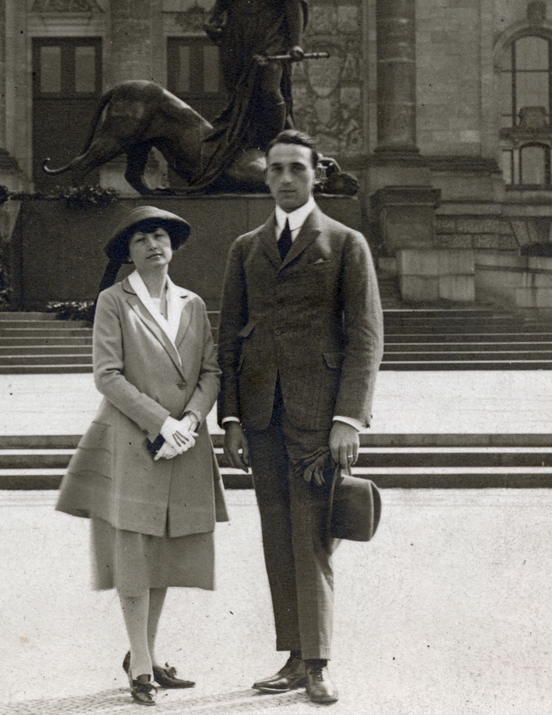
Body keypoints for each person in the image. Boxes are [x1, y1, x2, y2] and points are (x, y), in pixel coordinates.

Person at [218, 131, 383, 705]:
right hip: (261, 417)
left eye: (297, 169)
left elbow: (365, 337)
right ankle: (292, 658)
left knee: (311, 538)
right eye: (276, 169)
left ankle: (318, 664)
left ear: (317, 175)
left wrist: (349, 419)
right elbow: (229, 338)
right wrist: (231, 420)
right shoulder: (246, 248)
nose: (286, 178)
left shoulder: (345, 243)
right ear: (265, 177)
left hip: (319, 419)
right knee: (277, 537)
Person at [57, 205, 228, 705]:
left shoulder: (193, 303)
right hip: (134, 441)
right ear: (128, 253)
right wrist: (161, 422)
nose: (153, 244)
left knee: (166, 551)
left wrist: (190, 421)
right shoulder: (114, 301)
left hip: (184, 444)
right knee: (134, 553)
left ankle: (143, 656)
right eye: (140, 240)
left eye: (160, 236)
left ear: (172, 246)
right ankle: (142, 667)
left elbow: (211, 371)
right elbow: (107, 374)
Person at [201, 0, 308, 181]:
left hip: (270, 39)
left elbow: (293, 4)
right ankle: (249, 149)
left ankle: (278, 145)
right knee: (241, 98)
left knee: (269, 90)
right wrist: (210, 22)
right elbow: (221, 4)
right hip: (238, 41)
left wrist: (296, 42)